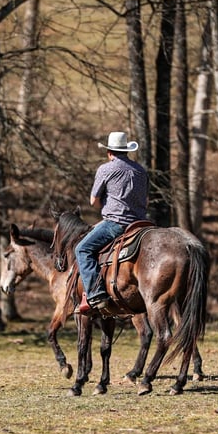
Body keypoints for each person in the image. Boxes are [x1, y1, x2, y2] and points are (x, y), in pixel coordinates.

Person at [76, 131, 149, 314]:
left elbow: (94, 200)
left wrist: (105, 205)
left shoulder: (106, 169)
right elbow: (145, 201)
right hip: (142, 224)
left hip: (116, 224)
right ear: (126, 151)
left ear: (110, 152)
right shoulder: (140, 171)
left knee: (82, 249)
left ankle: (95, 294)